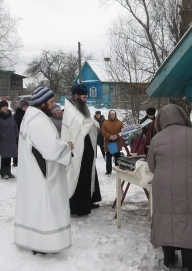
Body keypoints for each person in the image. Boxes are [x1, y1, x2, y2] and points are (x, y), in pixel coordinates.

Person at [147, 104, 192, 271]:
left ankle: (168, 260)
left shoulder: (157, 138)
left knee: (166, 221)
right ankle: (188, 265)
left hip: (163, 186)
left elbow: (152, 165)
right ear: (182, 117)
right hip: (191, 185)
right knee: (190, 222)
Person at [15, 87, 74, 254]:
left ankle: (35, 241)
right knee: (46, 209)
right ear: (42, 104)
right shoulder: (39, 122)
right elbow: (51, 149)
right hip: (44, 175)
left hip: (35, 172)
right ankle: (45, 244)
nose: (53, 104)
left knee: (36, 207)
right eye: (51, 102)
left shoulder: (31, 117)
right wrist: (67, 147)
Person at [62, 84, 102, 216]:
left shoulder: (80, 107)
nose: (86, 100)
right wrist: (90, 123)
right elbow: (76, 127)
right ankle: (79, 207)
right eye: (84, 97)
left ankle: (88, 200)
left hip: (87, 147)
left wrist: (93, 123)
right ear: (76, 96)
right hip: (78, 149)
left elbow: (86, 121)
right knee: (79, 176)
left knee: (88, 174)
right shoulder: (70, 110)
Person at [0, 100, 18, 179]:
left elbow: (15, 127)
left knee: (8, 157)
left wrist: (16, 137)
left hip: (11, 140)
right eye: (3, 107)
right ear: (0, 108)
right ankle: (3, 173)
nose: (5, 108)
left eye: (6, 106)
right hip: (1, 140)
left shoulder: (10, 116)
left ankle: (9, 172)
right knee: (3, 157)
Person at [101, 110, 123, 174]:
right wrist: (110, 136)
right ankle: (108, 170)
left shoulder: (119, 123)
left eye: (113, 114)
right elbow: (103, 131)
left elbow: (122, 131)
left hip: (117, 142)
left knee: (117, 157)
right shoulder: (105, 123)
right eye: (111, 114)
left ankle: (117, 170)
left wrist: (117, 136)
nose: (112, 115)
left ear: (115, 115)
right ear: (109, 115)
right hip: (108, 142)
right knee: (108, 157)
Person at [13, 100, 29, 167]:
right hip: (19, 133)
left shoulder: (27, 114)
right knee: (18, 148)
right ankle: (16, 161)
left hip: (26, 134)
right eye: (24, 107)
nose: (25, 108)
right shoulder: (17, 115)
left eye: (26, 107)